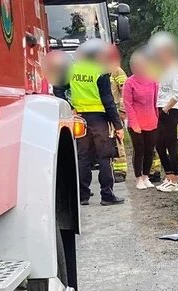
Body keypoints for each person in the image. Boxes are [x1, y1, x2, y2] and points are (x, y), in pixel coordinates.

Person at [66, 39, 125, 206]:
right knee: (105, 157)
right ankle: (107, 195)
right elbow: (108, 101)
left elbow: (58, 88)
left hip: (80, 119)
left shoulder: (71, 70)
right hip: (99, 120)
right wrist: (118, 126)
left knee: (83, 157)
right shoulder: (100, 72)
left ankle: (83, 195)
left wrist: (70, 106)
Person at [149, 32, 178, 192]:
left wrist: (165, 109)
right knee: (159, 144)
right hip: (161, 110)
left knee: (171, 145)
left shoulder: (173, 70)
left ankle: (175, 180)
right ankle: (169, 175)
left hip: (170, 111)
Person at [122, 51, 159, 190]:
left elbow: (155, 102)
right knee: (139, 151)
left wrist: (157, 119)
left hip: (152, 121)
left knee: (150, 150)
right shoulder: (129, 83)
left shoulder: (153, 81)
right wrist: (134, 123)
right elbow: (128, 104)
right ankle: (138, 178)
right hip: (136, 123)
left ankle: (146, 176)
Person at [107, 44, 129, 182]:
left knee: (117, 140)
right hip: (101, 111)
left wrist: (122, 109)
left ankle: (120, 171)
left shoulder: (116, 71)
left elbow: (125, 92)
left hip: (114, 110)